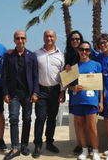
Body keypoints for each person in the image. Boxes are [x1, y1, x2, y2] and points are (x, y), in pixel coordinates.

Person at [2, 30, 39, 160]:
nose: (20, 40)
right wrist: (5, 93)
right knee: (13, 119)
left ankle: (24, 145)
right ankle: (15, 147)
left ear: (26, 40)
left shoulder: (32, 56)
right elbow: (5, 76)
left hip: (28, 94)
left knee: (27, 119)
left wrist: (35, 92)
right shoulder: (8, 56)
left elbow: (35, 76)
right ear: (14, 40)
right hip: (14, 94)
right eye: (17, 38)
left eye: (22, 38)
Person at [32, 30, 65, 158]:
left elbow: (63, 76)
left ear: (55, 38)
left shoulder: (61, 55)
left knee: (52, 118)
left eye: (51, 36)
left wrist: (62, 92)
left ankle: (49, 142)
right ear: (43, 37)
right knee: (40, 118)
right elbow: (33, 74)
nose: (49, 38)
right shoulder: (36, 54)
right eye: (46, 35)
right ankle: (38, 144)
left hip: (55, 91)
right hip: (41, 91)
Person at [69, 42, 102, 160]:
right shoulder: (74, 67)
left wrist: (101, 101)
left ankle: (95, 151)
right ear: (78, 51)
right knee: (80, 127)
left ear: (90, 52)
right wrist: (73, 87)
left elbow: (100, 86)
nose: (84, 52)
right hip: (77, 100)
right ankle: (84, 150)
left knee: (92, 127)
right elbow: (67, 85)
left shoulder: (97, 65)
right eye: (82, 49)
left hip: (91, 101)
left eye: (87, 50)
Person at [64, 30, 85, 155]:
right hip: (74, 92)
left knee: (88, 120)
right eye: (72, 39)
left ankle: (88, 144)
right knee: (77, 120)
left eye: (77, 39)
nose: (75, 41)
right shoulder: (68, 55)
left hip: (88, 91)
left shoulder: (88, 52)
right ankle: (79, 144)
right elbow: (66, 78)